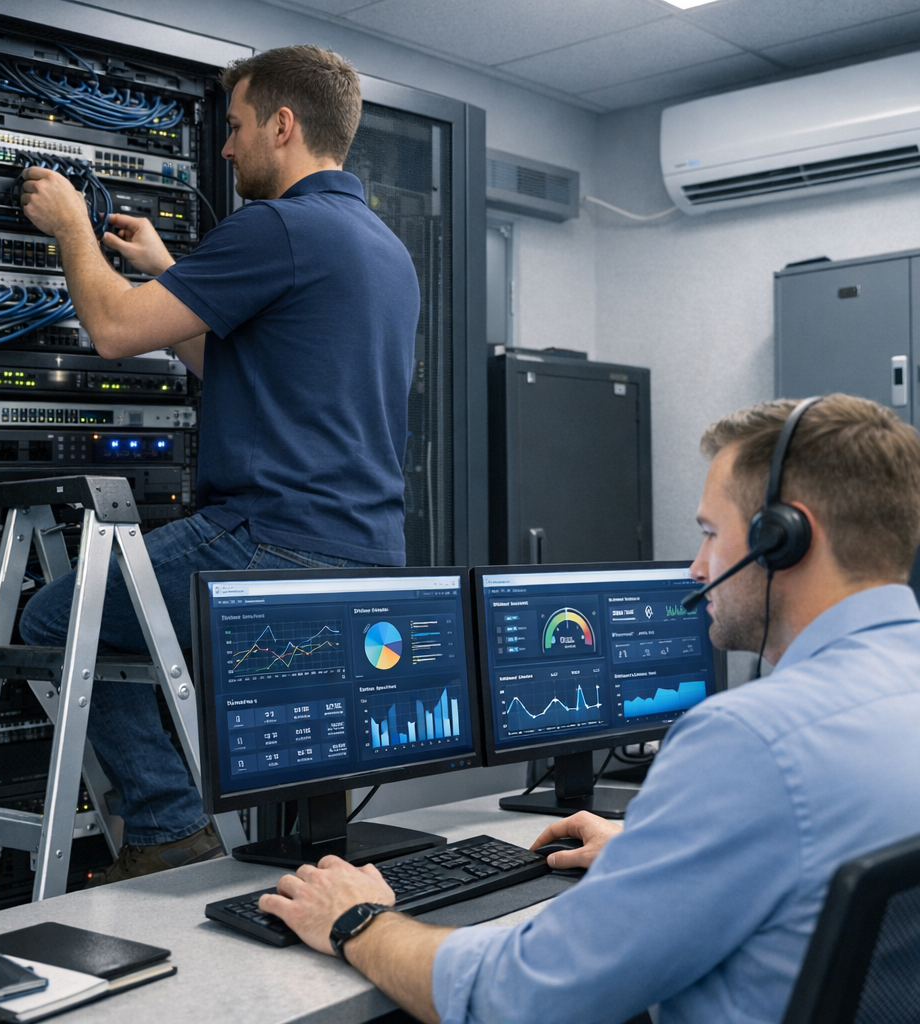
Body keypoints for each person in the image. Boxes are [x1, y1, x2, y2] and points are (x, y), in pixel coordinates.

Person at [260, 394, 920, 1024]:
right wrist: (659, 856)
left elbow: (519, 1002)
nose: (696, 568)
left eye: (710, 534)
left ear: (783, 539)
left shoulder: (750, 743)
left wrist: (358, 920)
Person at [15, 45, 421, 883]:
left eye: (235, 128)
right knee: (303, 783)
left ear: (283, 124)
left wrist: (72, 230)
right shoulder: (384, 248)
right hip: (365, 556)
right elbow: (243, 364)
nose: (226, 148)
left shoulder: (278, 225)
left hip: (268, 537)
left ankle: (167, 826)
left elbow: (116, 331)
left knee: (54, 621)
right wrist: (170, 270)